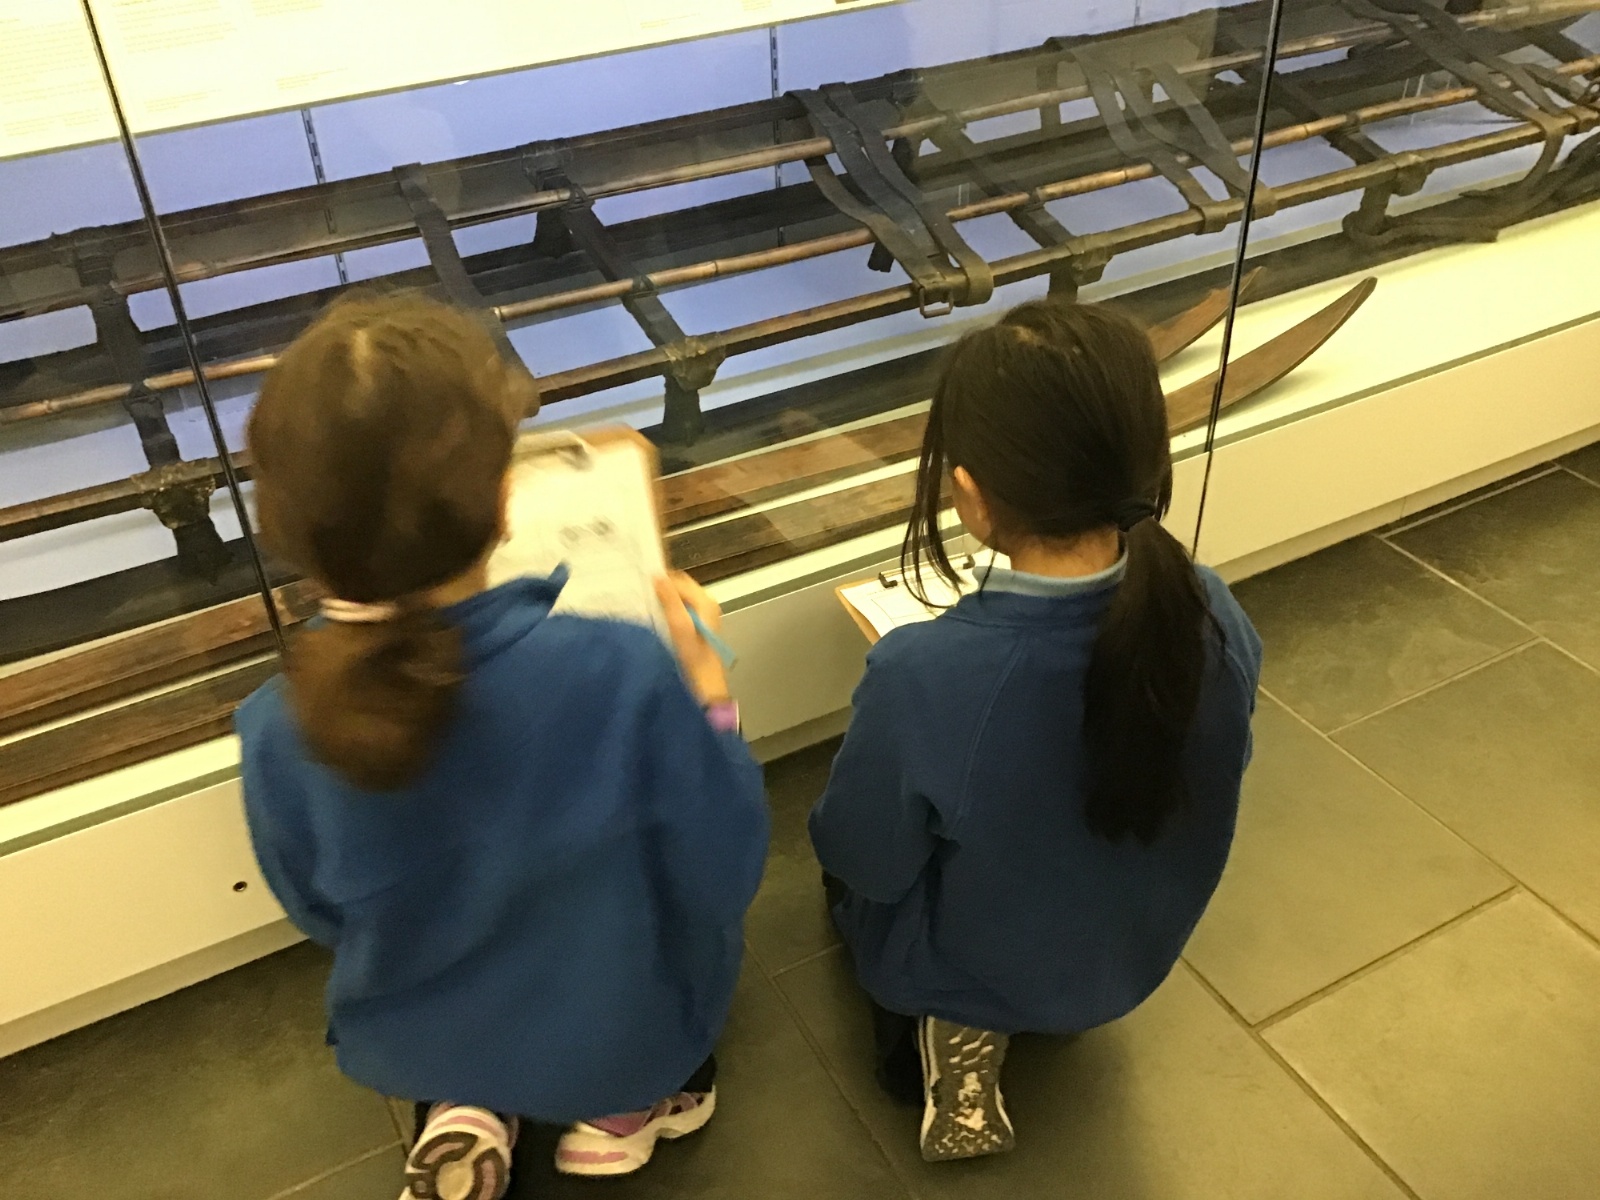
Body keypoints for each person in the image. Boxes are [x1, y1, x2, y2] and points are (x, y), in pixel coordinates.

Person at [235, 294, 769, 1200]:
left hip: (420, 1031)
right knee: (670, 951)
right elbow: (723, 866)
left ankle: (466, 1105)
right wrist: (711, 696)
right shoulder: (623, 668)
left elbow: (318, 911)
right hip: (617, 1024)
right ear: (504, 504)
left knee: (453, 972)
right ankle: (625, 1110)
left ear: (285, 530)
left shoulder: (275, 724)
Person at [809, 299, 1261, 1163]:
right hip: (1131, 960)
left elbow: (864, 858)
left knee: (841, 877)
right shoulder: (1211, 609)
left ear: (971, 498)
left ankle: (954, 1029)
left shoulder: (923, 672)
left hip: (982, 964)